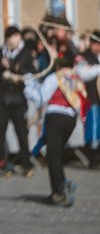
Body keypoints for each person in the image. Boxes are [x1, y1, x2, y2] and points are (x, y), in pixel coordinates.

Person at [23, 51, 100, 206]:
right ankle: (58, 190)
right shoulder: (76, 77)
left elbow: (40, 98)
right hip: (71, 119)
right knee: (55, 155)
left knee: (52, 155)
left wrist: (28, 85)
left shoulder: (55, 77)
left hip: (55, 117)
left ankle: (60, 188)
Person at [0, 26, 36, 176]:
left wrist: (14, 66)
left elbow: (30, 73)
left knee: (22, 134)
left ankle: (26, 164)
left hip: (18, 100)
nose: (14, 41)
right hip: (1, 99)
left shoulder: (25, 54)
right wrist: (1, 65)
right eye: (11, 38)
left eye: (16, 37)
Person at [81, 31, 100, 168]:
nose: (96, 47)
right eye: (94, 44)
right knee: (93, 129)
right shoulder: (85, 57)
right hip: (91, 98)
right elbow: (83, 74)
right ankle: (93, 158)